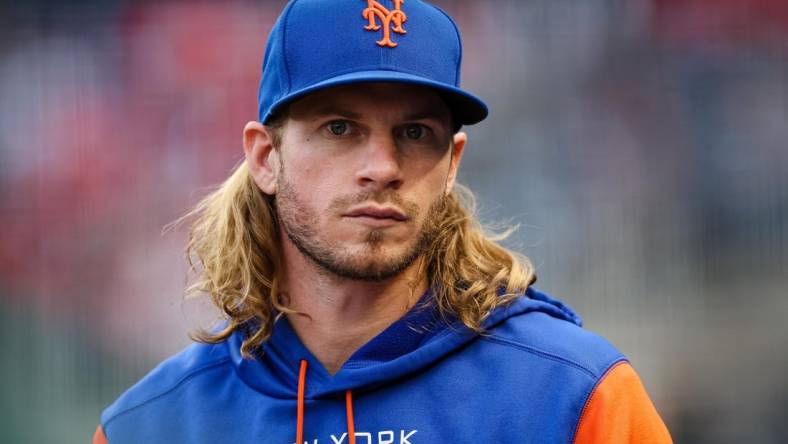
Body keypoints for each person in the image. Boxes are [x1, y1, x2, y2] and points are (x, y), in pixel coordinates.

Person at [94, 0, 672, 442]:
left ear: (452, 164)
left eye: (415, 133)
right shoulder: (149, 426)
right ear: (266, 159)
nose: (383, 168)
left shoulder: (575, 397)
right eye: (340, 128)